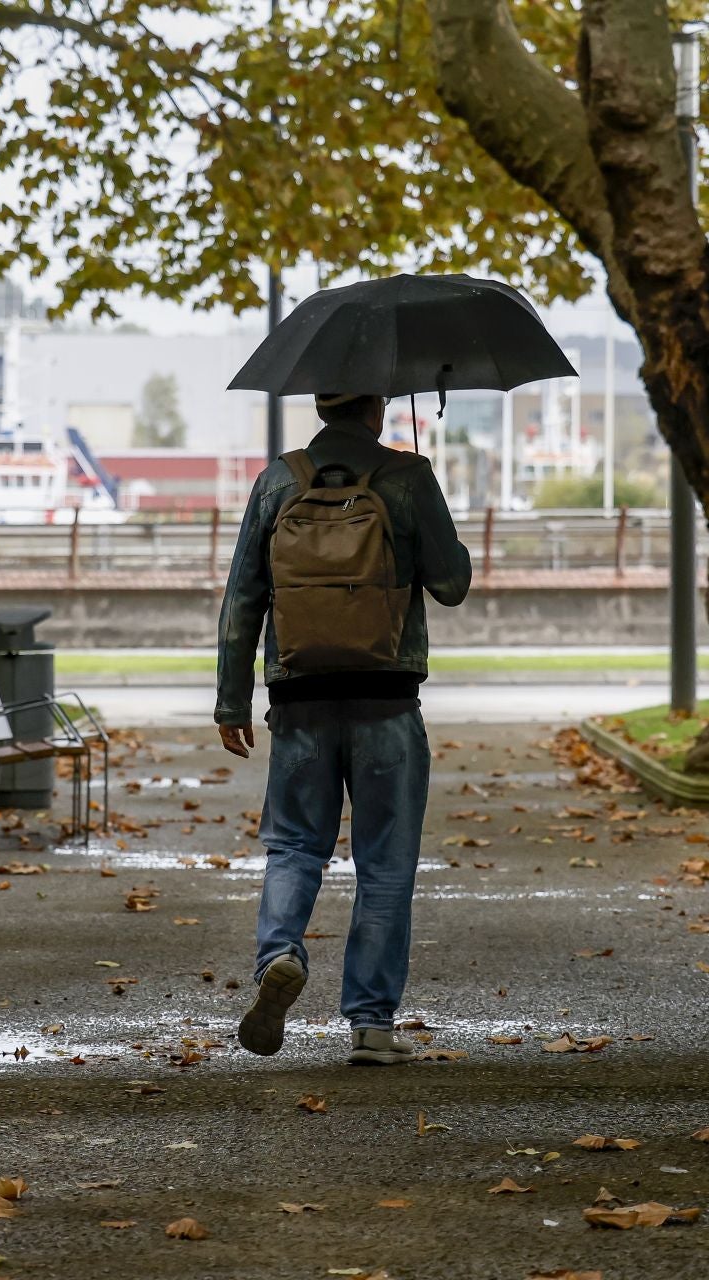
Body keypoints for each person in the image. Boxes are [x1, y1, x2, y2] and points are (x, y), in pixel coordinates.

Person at [217, 393, 471, 1065]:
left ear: (322, 405)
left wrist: (230, 701)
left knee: (295, 847)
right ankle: (370, 1025)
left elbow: (243, 595)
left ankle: (280, 953)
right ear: (378, 406)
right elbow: (451, 584)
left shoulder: (278, 480)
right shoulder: (408, 477)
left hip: (298, 699)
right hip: (387, 700)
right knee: (385, 865)